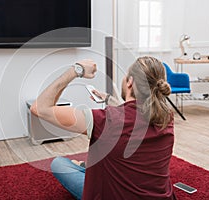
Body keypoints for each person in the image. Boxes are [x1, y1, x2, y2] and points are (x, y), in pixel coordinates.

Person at [30, 56, 177, 200]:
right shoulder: (167, 118)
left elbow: (40, 108)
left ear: (130, 82)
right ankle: (85, 166)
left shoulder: (106, 120)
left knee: (59, 163)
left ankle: (85, 166)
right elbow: (132, 113)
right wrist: (107, 98)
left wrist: (75, 70)